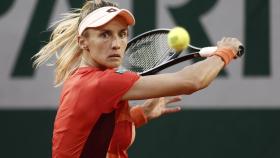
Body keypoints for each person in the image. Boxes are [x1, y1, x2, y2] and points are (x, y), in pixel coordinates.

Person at [33, 0, 243, 158]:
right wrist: (224, 53)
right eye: (105, 35)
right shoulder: (101, 83)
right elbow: (193, 82)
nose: (116, 44)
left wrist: (141, 114)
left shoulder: (85, 80)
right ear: (83, 42)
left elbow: (93, 135)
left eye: (122, 34)